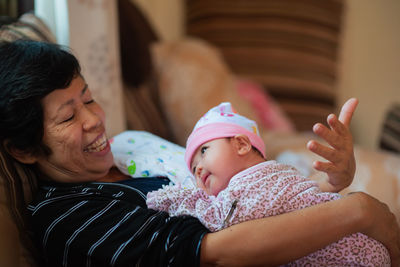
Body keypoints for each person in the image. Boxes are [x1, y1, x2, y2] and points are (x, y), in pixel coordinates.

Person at [0, 40, 399, 267]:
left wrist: (336, 180)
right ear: (23, 148)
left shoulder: (134, 156)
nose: (94, 120)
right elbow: (208, 254)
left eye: (88, 99)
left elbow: (266, 197)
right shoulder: (70, 218)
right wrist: (355, 210)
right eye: (68, 117)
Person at [147, 102, 390, 266]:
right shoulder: (266, 178)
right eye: (192, 171)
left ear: (242, 145)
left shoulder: (255, 181)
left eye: (204, 151)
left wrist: (174, 198)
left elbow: (224, 220)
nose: (198, 168)